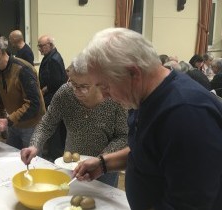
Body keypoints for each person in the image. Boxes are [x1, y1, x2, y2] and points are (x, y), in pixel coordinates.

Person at [73, 28, 222, 210]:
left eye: (105, 86)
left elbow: (191, 203)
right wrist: (104, 164)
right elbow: (148, 150)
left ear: (133, 74)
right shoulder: (143, 97)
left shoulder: (186, 113)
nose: (104, 96)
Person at [20, 55, 128, 187]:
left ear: (99, 83)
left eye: (83, 86)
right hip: (71, 164)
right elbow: (47, 123)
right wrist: (35, 145)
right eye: (73, 83)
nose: (76, 91)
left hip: (106, 167)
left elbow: (123, 135)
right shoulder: (65, 93)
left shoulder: (113, 98)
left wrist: (102, 160)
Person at [0, 37, 45, 149]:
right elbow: (1, 98)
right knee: (12, 158)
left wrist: (8, 121)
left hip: (32, 126)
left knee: (31, 163)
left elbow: (34, 104)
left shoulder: (23, 70)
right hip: (15, 123)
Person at [37, 35, 68, 160]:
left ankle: (54, 155)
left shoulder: (54, 59)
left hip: (53, 98)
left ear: (50, 45)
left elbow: (57, 81)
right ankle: (52, 153)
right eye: (38, 46)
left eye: (41, 46)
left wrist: (44, 90)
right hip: (51, 97)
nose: (39, 49)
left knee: (54, 129)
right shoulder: (50, 56)